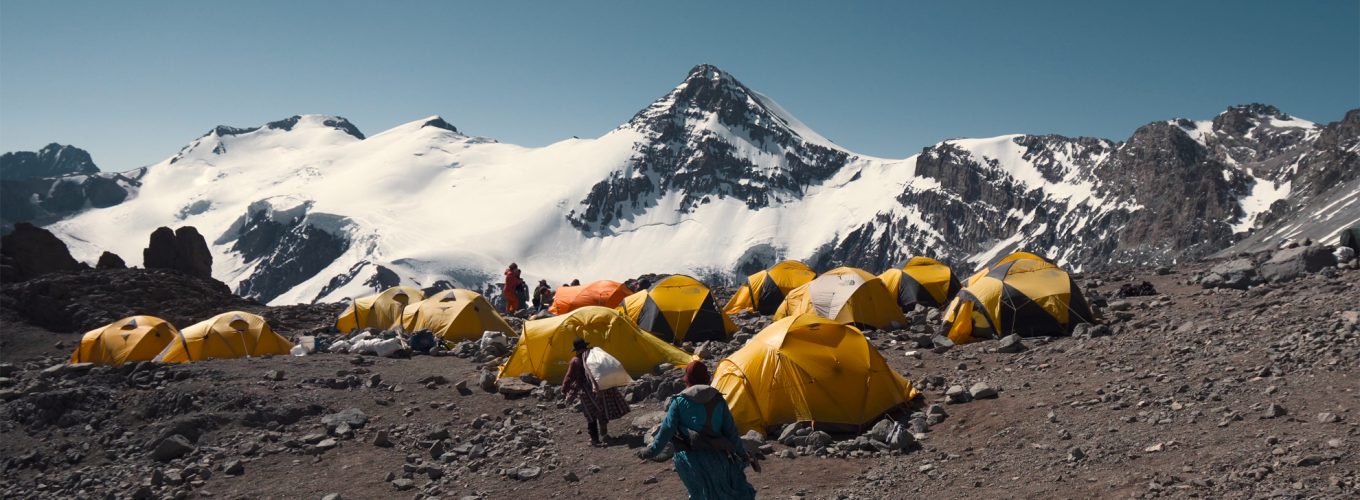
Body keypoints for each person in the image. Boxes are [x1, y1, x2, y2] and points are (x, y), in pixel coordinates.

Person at [638, 361, 756, 500]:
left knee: (699, 495)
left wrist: (650, 452)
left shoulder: (678, 402)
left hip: (689, 460)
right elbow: (731, 432)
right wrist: (742, 455)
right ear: (706, 378)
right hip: (718, 457)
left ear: (687, 378)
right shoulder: (718, 399)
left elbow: (667, 430)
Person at [561, 338, 630, 447]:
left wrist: (564, 390)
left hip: (587, 391)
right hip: (601, 388)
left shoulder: (576, 361)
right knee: (602, 411)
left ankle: (594, 440)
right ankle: (605, 435)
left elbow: (569, 377)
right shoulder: (593, 355)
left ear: (576, 350)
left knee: (591, 415)